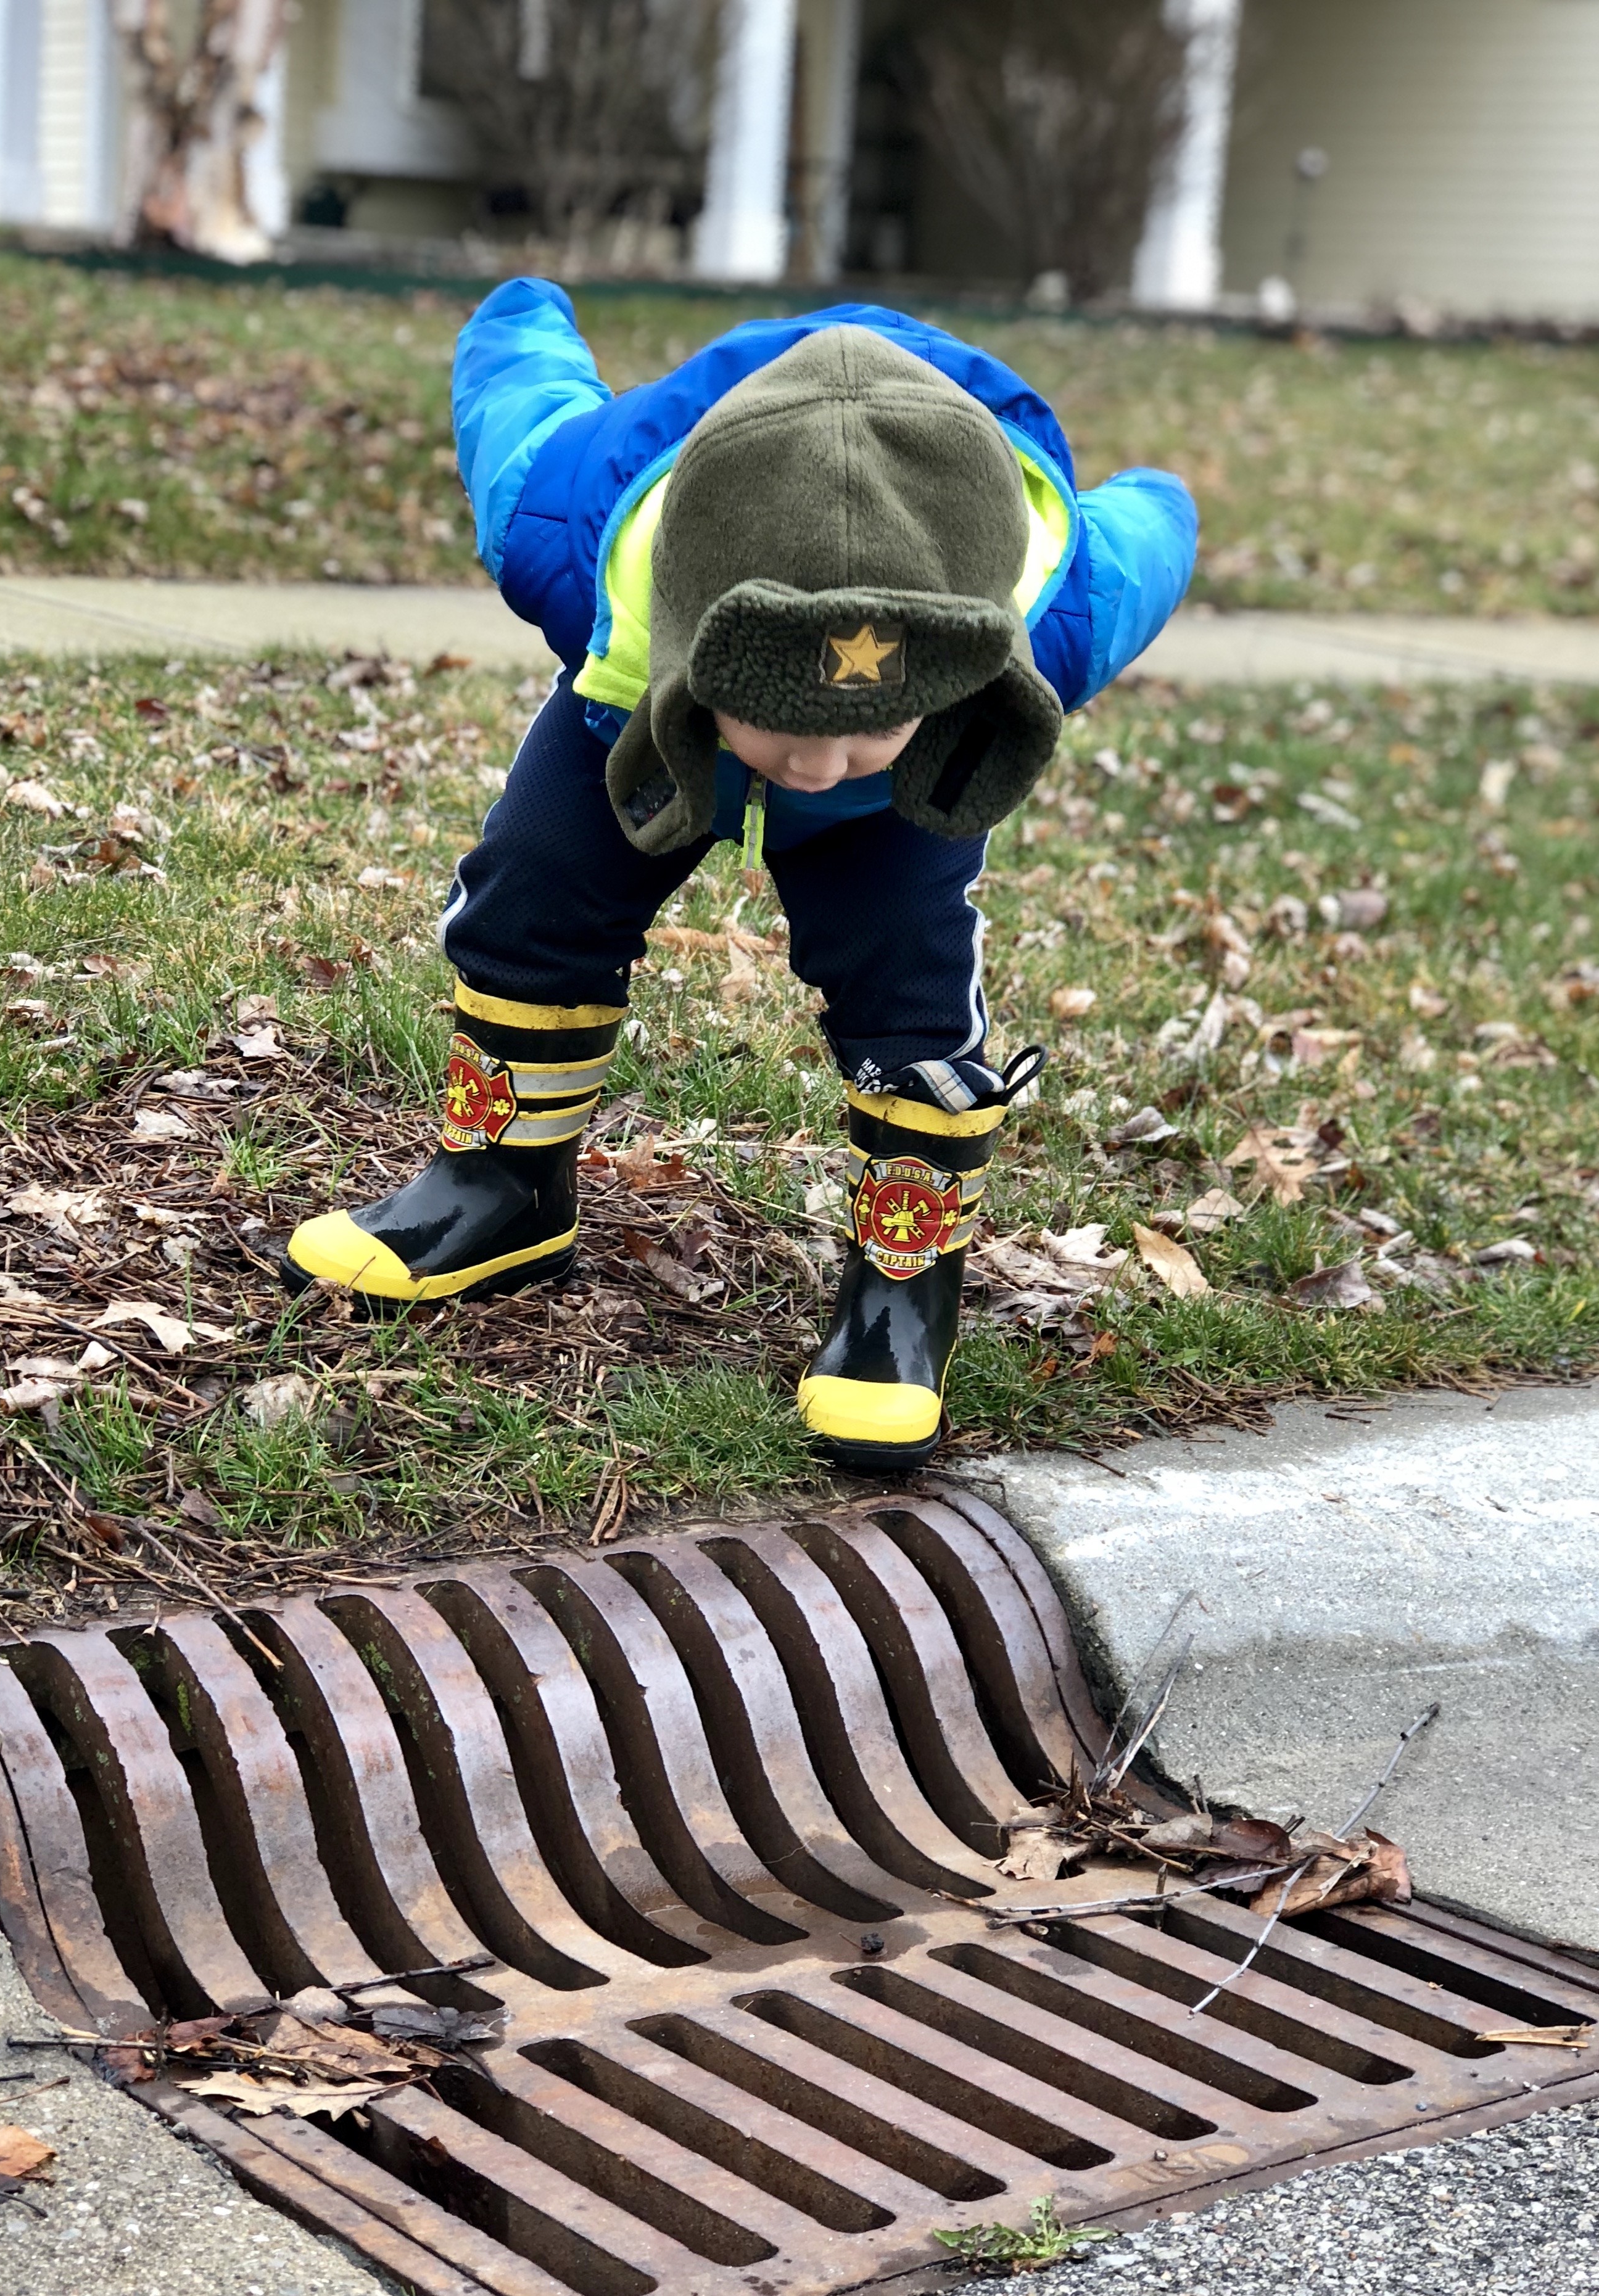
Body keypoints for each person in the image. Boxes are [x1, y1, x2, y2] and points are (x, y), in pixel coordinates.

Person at [285, 279, 1196, 1471]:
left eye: (863, 731)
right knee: (536, 885)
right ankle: (500, 1184)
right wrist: (518, 316)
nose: (819, 768)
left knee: (908, 982)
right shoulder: (572, 531)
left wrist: (1157, 499)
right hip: (648, 733)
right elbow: (519, 403)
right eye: (782, 728)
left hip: (908, 806)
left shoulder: (1057, 611)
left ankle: (901, 1289)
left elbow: (1151, 536)